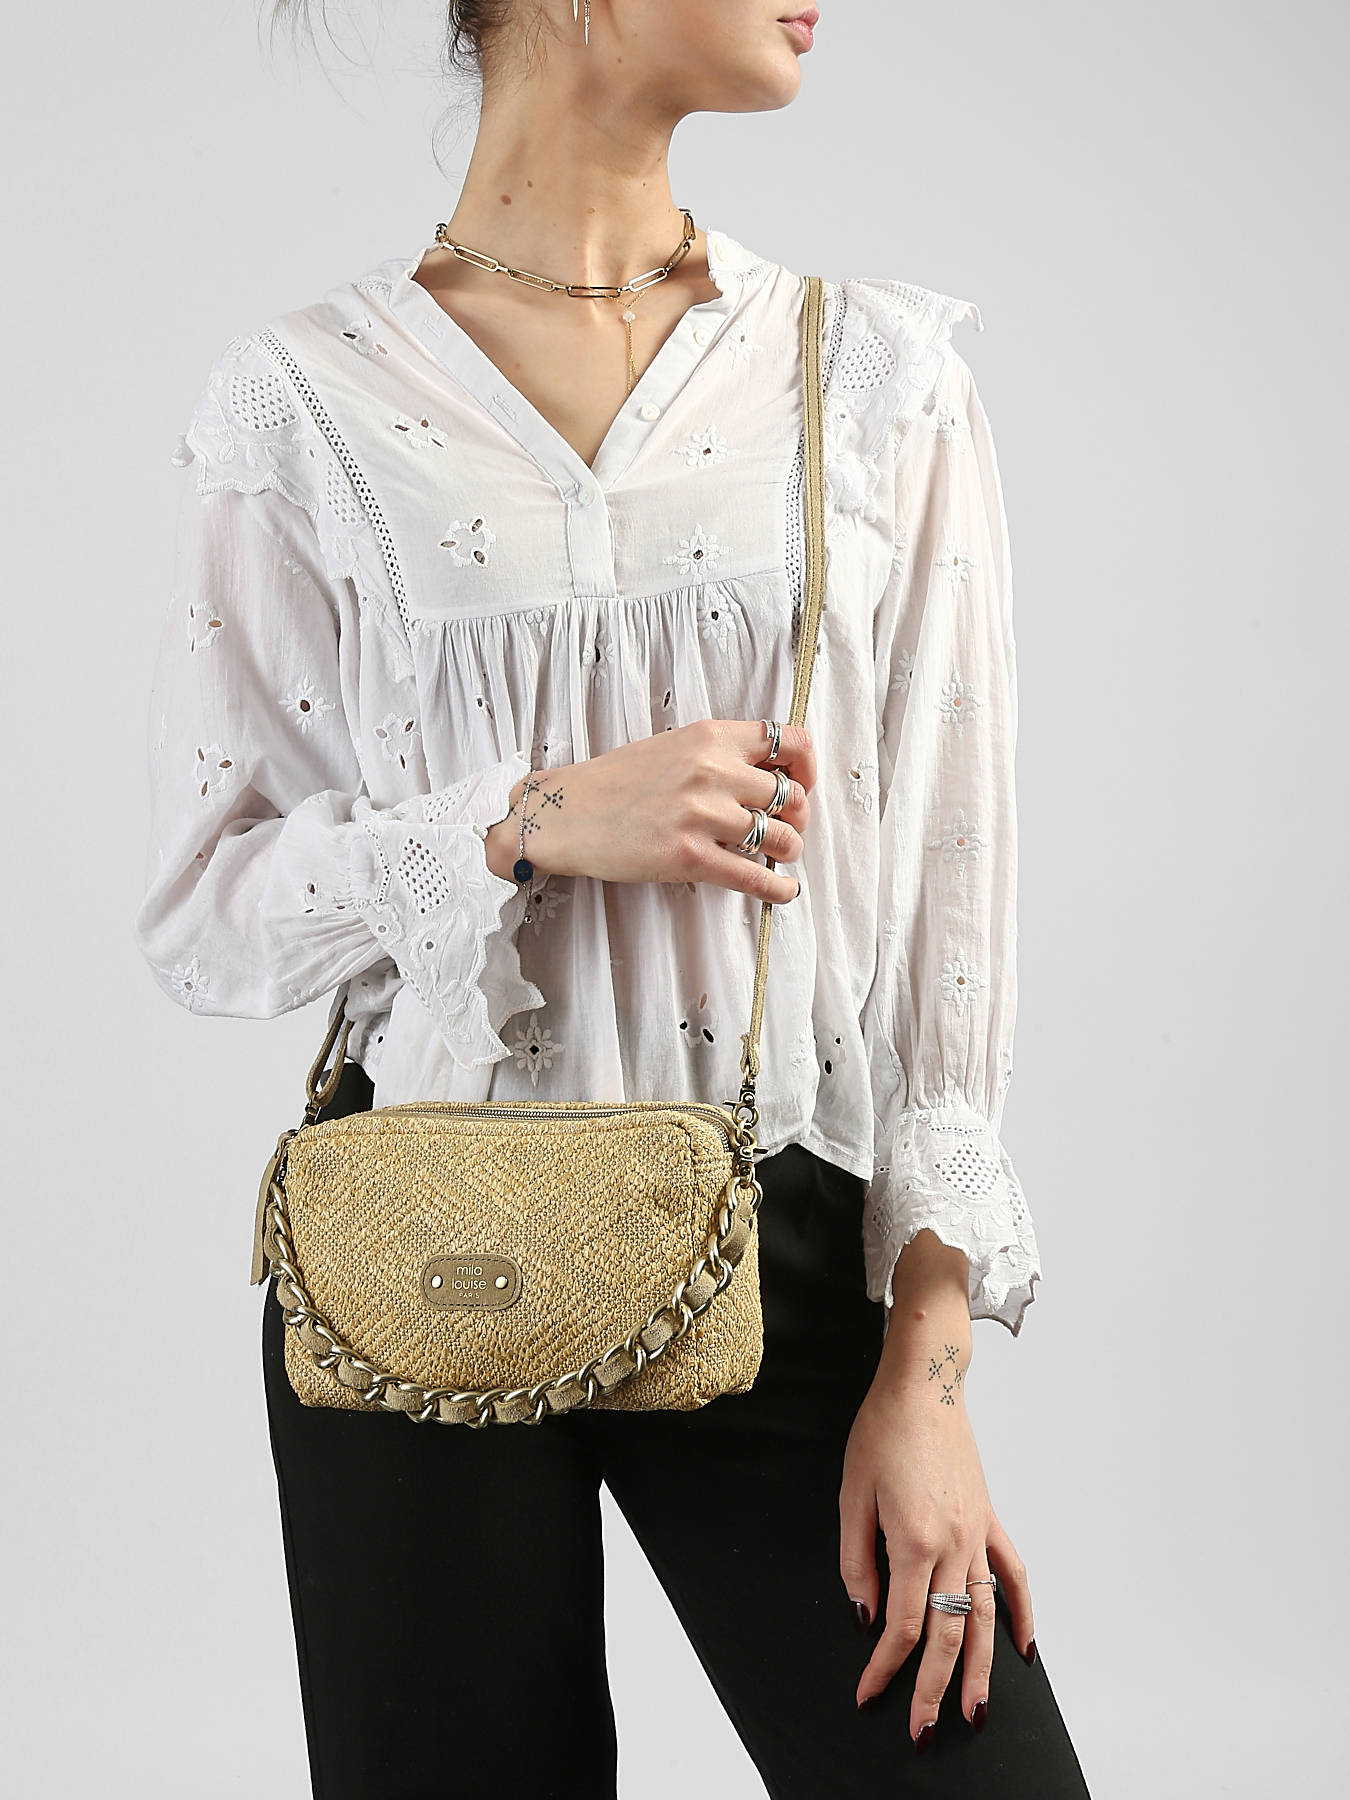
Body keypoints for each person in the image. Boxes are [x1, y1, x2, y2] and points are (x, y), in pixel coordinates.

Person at [133, 3, 1091, 1795]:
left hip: (783, 1238)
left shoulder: (869, 376)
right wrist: (530, 822)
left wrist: (928, 1374)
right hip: (418, 1251)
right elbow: (209, 913)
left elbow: (949, 919)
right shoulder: (302, 398)